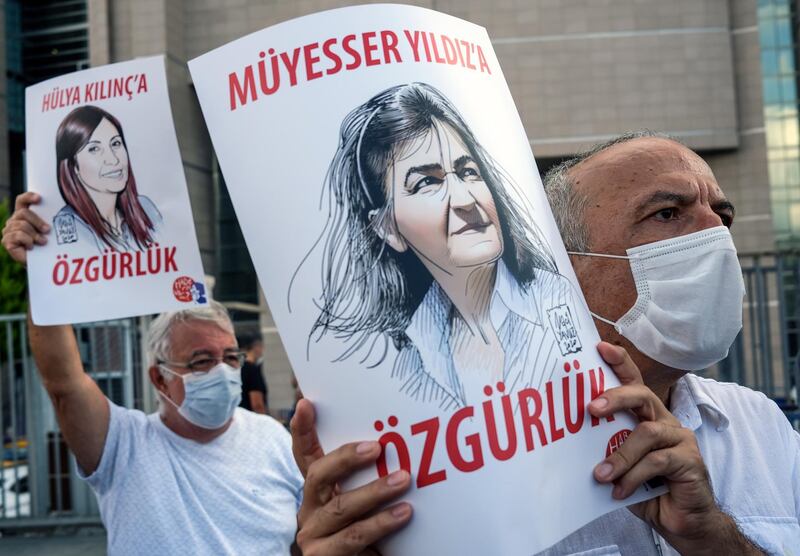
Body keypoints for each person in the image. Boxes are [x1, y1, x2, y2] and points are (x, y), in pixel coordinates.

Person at [288, 132, 800, 555]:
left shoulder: (760, 425)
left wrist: (715, 540)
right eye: (668, 213)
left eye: (722, 215)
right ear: (565, 262)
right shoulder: (460, 454)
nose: (716, 235)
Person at [1, 194, 303, 555]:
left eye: (230, 357)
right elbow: (64, 383)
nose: (221, 371)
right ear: (159, 379)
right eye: (200, 361)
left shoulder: (273, 439)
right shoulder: (122, 445)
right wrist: (40, 267)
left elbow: (306, 537)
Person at [308, 82, 578, 409]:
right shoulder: (401, 357)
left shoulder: (563, 302)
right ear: (387, 228)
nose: (465, 199)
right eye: (426, 182)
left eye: (468, 171)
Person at [53, 105, 162, 252]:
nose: (113, 159)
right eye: (94, 149)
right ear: (73, 167)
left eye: (116, 143)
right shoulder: (68, 225)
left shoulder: (145, 209)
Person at [238, 333, 268, 414]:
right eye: (261, 346)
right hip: (251, 420)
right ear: (256, 346)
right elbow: (257, 405)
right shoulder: (253, 370)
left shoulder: (237, 368)